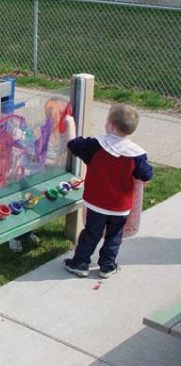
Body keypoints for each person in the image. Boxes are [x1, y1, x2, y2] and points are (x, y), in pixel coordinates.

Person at [64, 104, 153, 278]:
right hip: (121, 207)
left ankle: (80, 263)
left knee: (91, 233)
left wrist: (69, 122)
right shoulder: (136, 154)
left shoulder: (97, 145)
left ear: (111, 125)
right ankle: (107, 265)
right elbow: (146, 173)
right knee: (114, 236)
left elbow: (73, 144)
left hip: (96, 203)